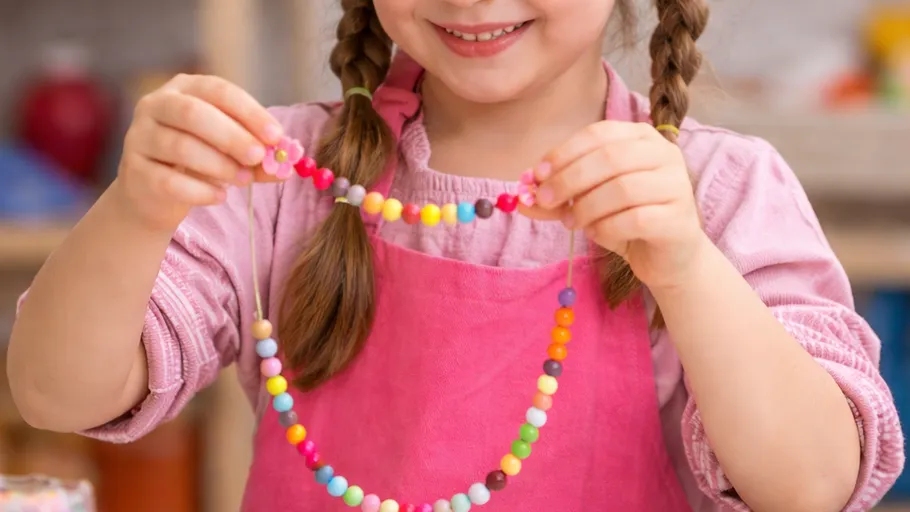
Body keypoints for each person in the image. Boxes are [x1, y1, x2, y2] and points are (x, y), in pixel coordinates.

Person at [8, 0, 904, 510]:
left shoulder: (718, 191)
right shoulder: (279, 176)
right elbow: (56, 392)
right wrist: (135, 209)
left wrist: (689, 270)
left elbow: (813, 486)